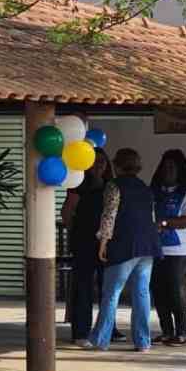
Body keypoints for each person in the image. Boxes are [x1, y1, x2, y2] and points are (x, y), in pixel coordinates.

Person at [87, 148, 161, 352]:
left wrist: (103, 241)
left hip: (124, 244)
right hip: (147, 245)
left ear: (117, 165)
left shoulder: (114, 186)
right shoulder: (146, 188)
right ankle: (143, 342)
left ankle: (101, 340)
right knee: (142, 293)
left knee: (111, 293)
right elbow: (152, 217)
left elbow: (109, 214)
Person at [60, 148, 123, 346]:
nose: (99, 166)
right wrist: (76, 230)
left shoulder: (110, 186)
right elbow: (67, 212)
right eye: (95, 162)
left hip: (106, 243)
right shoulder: (78, 186)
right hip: (84, 243)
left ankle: (108, 328)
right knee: (83, 288)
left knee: (109, 288)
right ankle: (80, 332)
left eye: (103, 162)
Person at [150, 150, 186, 346]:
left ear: (180, 170)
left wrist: (164, 224)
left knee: (174, 290)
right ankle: (166, 331)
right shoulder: (153, 191)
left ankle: (181, 332)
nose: (167, 170)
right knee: (158, 290)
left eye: (172, 167)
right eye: (165, 166)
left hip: (179, 252)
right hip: (155, 249)